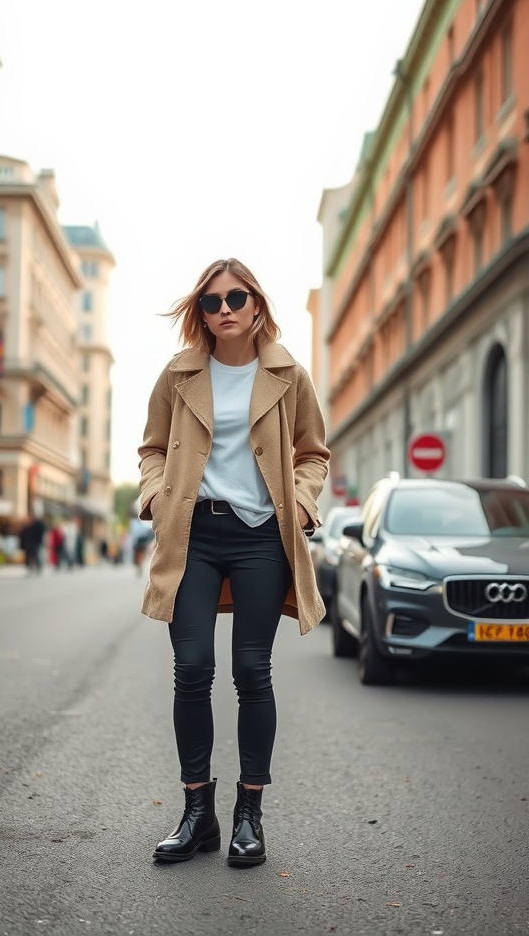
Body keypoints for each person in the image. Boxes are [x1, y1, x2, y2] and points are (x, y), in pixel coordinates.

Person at [137, 258, 329, 868]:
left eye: (235, 298)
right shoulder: (179, 373)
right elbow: (152, 448)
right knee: (192, 668)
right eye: (211, 302)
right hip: (192, 534)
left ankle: (250, 813)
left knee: (251, 669)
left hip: (260, 537)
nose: (224, 310)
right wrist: (154, 495)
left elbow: (313, 453)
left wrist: (302, 504)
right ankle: (198, 813)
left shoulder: (287, 374)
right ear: (201, 312)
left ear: (256, 305)